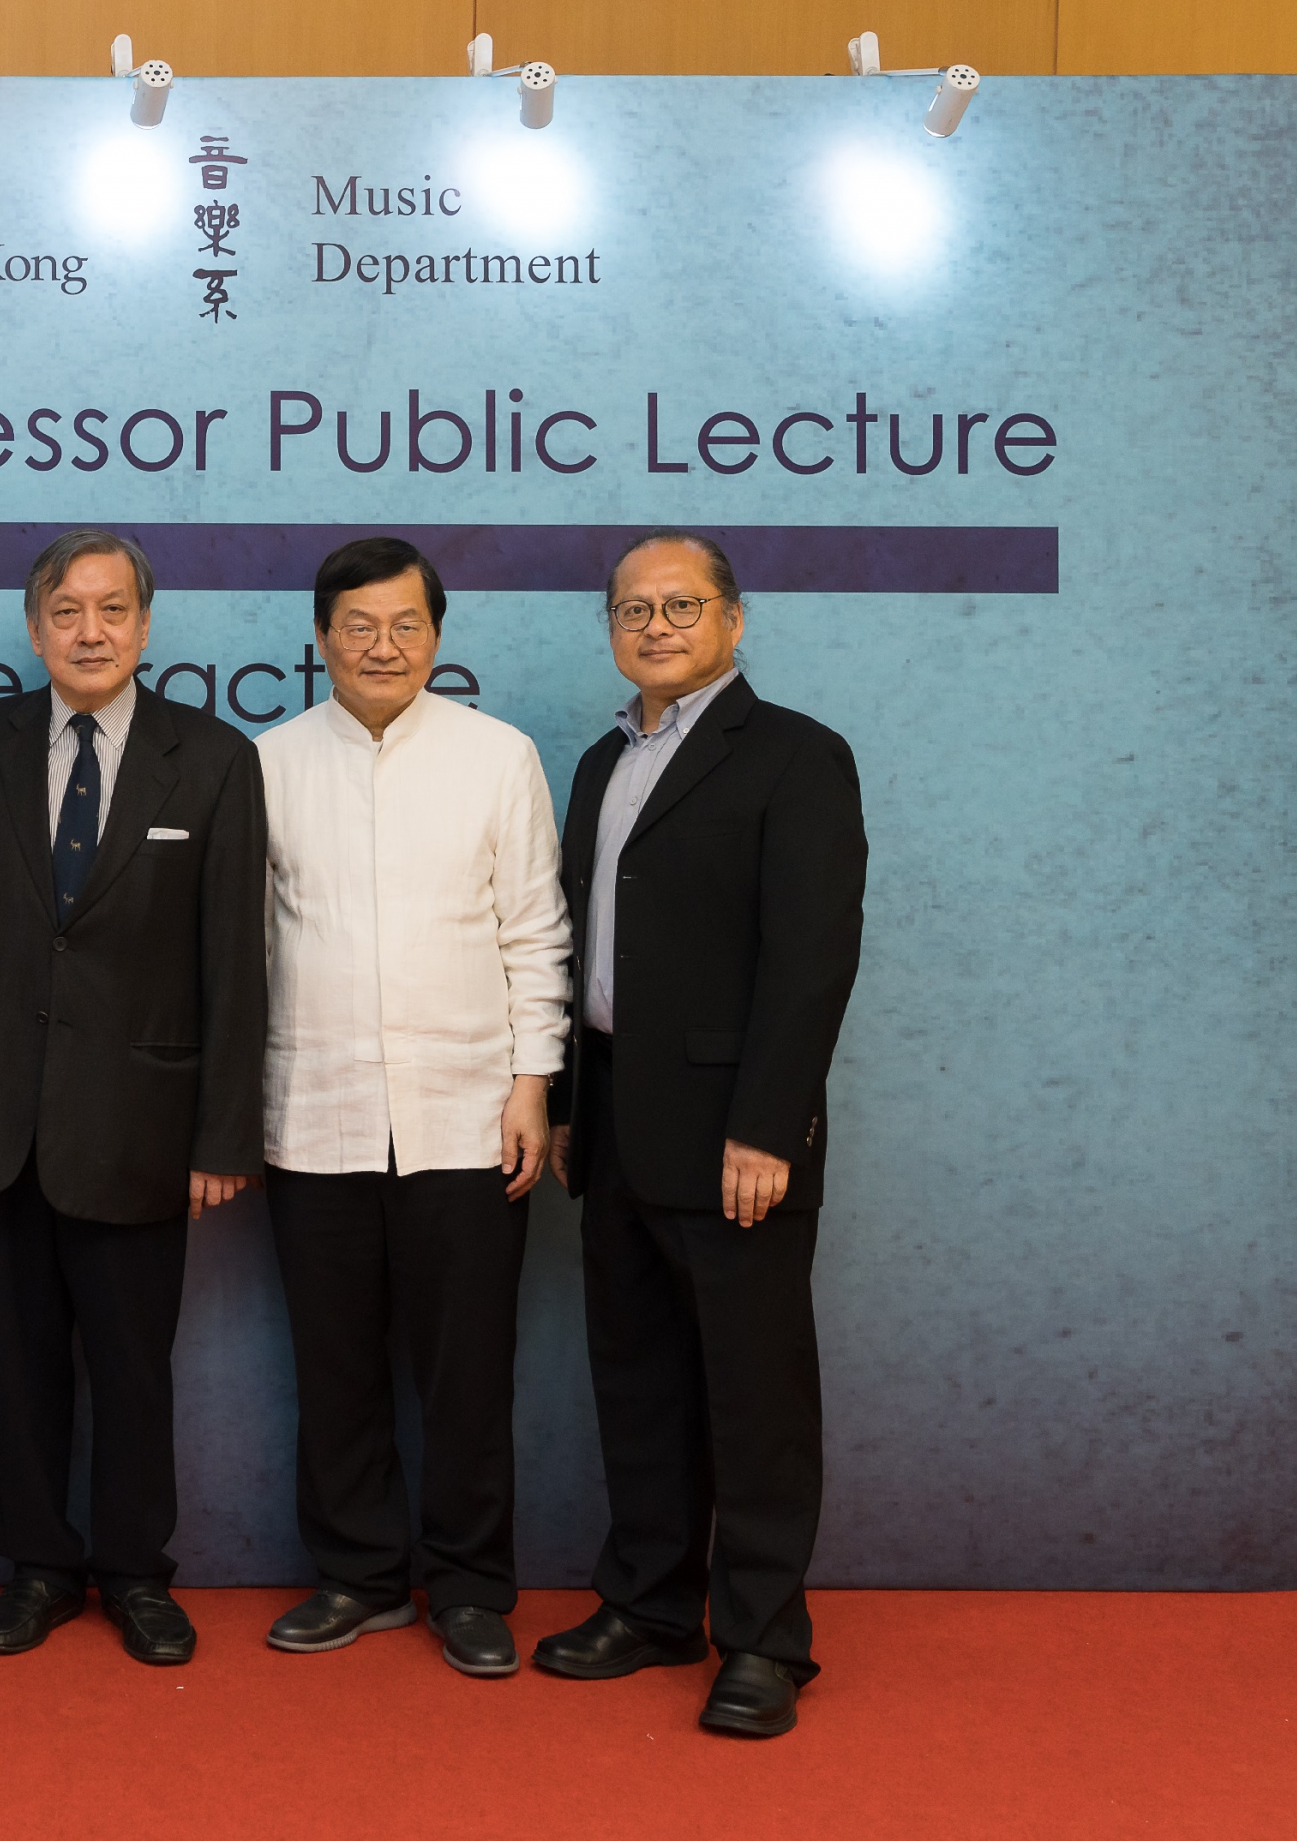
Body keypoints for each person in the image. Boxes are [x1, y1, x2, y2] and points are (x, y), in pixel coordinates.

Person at [534, 530, 866, 1739]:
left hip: (738, 1135)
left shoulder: (795, 756)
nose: (657, 624)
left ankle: (766, 1638)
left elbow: (812, 955)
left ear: (734, 617)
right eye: (634, 607)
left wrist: (768, 1125)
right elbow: (576, 955)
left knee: (754, 1392)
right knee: (639, 1380)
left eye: (681, 604)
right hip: (617, 1118)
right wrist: (571, 1105)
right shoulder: (597, 761)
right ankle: (652, 1605)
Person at [0, 529, 266, 1667]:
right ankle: (35, 1564)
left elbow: (235, 962)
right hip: (0, 1114)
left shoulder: (212, 758)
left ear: (146, 626)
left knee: (131, 1362)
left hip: (145, 1123)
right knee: (17, 1363)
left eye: (113, 608)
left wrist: (222, 1129)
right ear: (35, 628)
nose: (91, 629)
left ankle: (134, 1570)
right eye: (67, 610)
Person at [252, 538, 570, 1677]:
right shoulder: (269, 763)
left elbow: (536, 931)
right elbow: (244, 951)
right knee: (335, 1364)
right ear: (321, 637)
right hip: (314, 1108)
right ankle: (358, 1575)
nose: (382, 646)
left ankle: (474, 1585)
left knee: (467, 1366)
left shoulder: (499, 757)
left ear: (437, 636)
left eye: (406, 626)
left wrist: (534, 1081)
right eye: (358, 626)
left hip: (468, 1111)